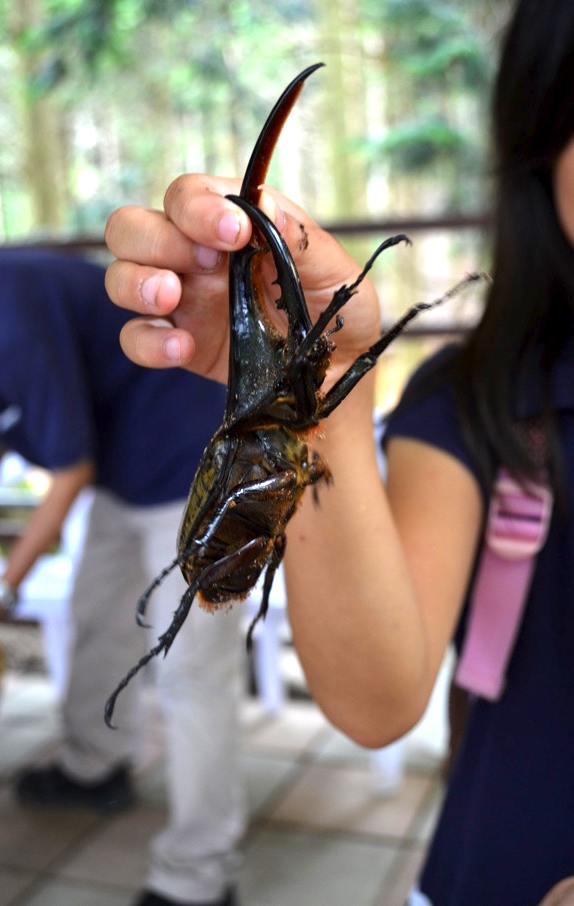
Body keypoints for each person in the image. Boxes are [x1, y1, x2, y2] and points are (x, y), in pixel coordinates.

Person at [102, 0, 574, 902]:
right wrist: (345, 363)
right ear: (544, 132)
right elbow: (378, 699)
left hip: (237, 508)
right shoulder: (478, 402)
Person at [0, 247, 244, 906]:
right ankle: (92, 765)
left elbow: (68, 473)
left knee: (191, 670)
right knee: (99, 615)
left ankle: (199, 876)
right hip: (123, 460)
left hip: (198, 453)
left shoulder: (1, 315)